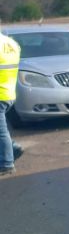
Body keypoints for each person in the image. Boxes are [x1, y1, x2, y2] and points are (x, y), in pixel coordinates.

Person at [0, 32, 21, 176]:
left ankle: (7, 163)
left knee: (1, 132)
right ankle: (13, 148)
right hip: (9, 92)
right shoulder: (11, 42)